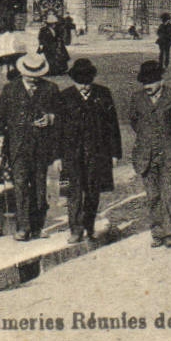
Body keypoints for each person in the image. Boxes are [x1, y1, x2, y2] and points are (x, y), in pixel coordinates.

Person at [0, 52, 59, 241]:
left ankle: (38, 225)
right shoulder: (10, 90)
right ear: (22, 72)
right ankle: (23, 227)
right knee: (20, 185)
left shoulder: (50, 89)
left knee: (39, 187)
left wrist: (50, 118)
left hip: (41, 146)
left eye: (37, 75)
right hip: (18, 146)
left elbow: (62, 114)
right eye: (29, 75)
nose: (33, 79)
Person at [56, 58, 121, 243]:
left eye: (87, 82)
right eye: (80, 82)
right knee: (74, 192)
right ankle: (76, 230)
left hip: (97, 153)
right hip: (71, 154)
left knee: (93, 191)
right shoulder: (65, 97)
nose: (84, 86)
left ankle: (89, 226)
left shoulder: (103, 94)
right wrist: (57, 156)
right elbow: (57, 130)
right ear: (74, 80)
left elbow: (112, 125)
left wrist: (115, 153)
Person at [129, 60, 171, 248]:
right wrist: (147, 137)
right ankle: (157, 233)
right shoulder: (137, 98)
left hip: (170, 153)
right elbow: (134, 122)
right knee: (153, 195)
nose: (147, 87)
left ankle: (169, 234)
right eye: (144, 83)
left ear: (160, 81)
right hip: (146, 155)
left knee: (167, 193)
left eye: (151, 83)